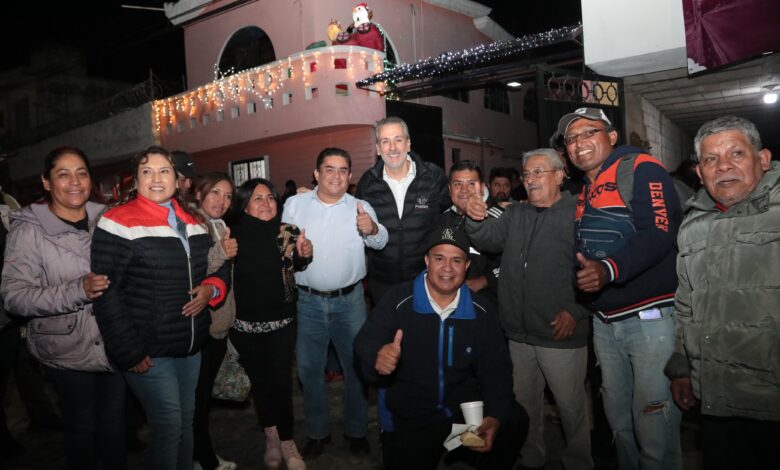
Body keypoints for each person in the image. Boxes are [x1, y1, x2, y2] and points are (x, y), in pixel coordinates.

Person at [91, 146, 229, 470]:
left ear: (176, 177)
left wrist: (211, 288)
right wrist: (129, 351)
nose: (156, 178)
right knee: (168, 424)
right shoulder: (116, 222)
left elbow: (217, 265)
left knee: (186, 421)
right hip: (148, 348)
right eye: (147, 171)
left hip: (190, 343)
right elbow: (105, 293)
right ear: (135, 179)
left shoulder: (194, 220)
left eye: (164, 171)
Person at [562, 107, 682, 469]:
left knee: (654, 427)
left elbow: (660, 233)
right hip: (606, 322)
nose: (579, 143)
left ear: (611, 137)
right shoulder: (585, 191)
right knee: (619, 424)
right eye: (571, 138)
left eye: (589, 133)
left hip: (650, 322)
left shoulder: (641, 168)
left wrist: (609, 269)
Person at [354, 225, 527, 470]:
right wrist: (376, 357)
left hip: (462, 412)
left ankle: (471, 457)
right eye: (439, 258)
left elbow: (496, 370)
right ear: (427, 261)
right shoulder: (398, 300)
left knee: (515, 419)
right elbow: (365, 342)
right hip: (410, 418)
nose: (447, 268)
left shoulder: (481, 311)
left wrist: (494, 416)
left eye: (456, 260)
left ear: (467, 266)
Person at [664, 116, 780, 469]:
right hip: (717, 399)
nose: (724, 166)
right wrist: (683, 368)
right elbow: (686, 305)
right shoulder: (694, 224)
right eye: (711, 159)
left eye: (736, 154)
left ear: (762, 159)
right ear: (699, 172)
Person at [465, 148, 593, 470]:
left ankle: (579, 462)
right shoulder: (515, 214)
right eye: (527, 174)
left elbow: (595, 269)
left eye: (539, 172)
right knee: (525, 407)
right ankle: (532, 458)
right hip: (519, 335)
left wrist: (576, 311)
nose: (531, 179)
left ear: (560, 175)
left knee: (570, 409)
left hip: (559, 332)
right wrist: (474, 216)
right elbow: (489, 240)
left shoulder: (579, 213)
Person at [1, 146, 126, 469]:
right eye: (63, 174)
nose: (74, 182)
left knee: (115, 429)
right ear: (46, 182)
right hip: (65, 350)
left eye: (81, 173)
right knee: (82, 430)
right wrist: (77, 290)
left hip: (114, 342)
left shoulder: (109, 219)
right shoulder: (29, 230)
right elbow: (14, 297)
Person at [283, 147, 388, 458]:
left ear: (350, 176)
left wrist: (373, 230)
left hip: (350, 301)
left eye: (343, 170)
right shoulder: (294, 204)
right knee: (308, 370)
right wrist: (295, 251)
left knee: (356, 368)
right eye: (329, 169)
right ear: (316, 174)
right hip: (307, 303)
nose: (336, 175)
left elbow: (380, 241)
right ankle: (317, 432)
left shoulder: (361, 206)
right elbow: (282, 249)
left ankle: (357, 430)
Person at [229, 178, 312, 470]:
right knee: (262, 385)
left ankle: (288, 443)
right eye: (257, 198)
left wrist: (304, 255)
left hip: (283, 323)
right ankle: (271, 438)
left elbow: (296, 265)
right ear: (245, 204)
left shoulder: (286, 231)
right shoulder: (232, 235)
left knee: (281, 383)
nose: (266, 203)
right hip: (246, 328)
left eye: (270, 197)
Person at [356, 116, 449, 303]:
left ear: (408, 144)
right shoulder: (367, 182)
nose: (392, 148)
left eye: (398, 140)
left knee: (422, 332)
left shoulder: (433, 176)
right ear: (378, 149)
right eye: (385, 141)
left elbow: (453, 212)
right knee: (388, 332)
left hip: (425, 279)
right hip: (382, 282)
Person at [192, 173, 239, 470]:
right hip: (202, 327)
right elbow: (194, 270)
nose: (221, 201)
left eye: (227, 196)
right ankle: (204, 459)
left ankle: (198, 455)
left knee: (201, 398)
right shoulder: (193, 226)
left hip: (219, 324)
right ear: (199, 193)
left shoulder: (219, 224)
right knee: (197, 402)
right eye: (215, 193)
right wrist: (221, 251)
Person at [438, 160, 502, 303]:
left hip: (489, 303)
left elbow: (514, 262)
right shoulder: (441, 221)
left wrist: (482, 282)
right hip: (449, 302)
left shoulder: (499, 219)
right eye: (457, 184)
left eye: (471, 184)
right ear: (449, 189)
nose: (464, 190)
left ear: (482, 187)